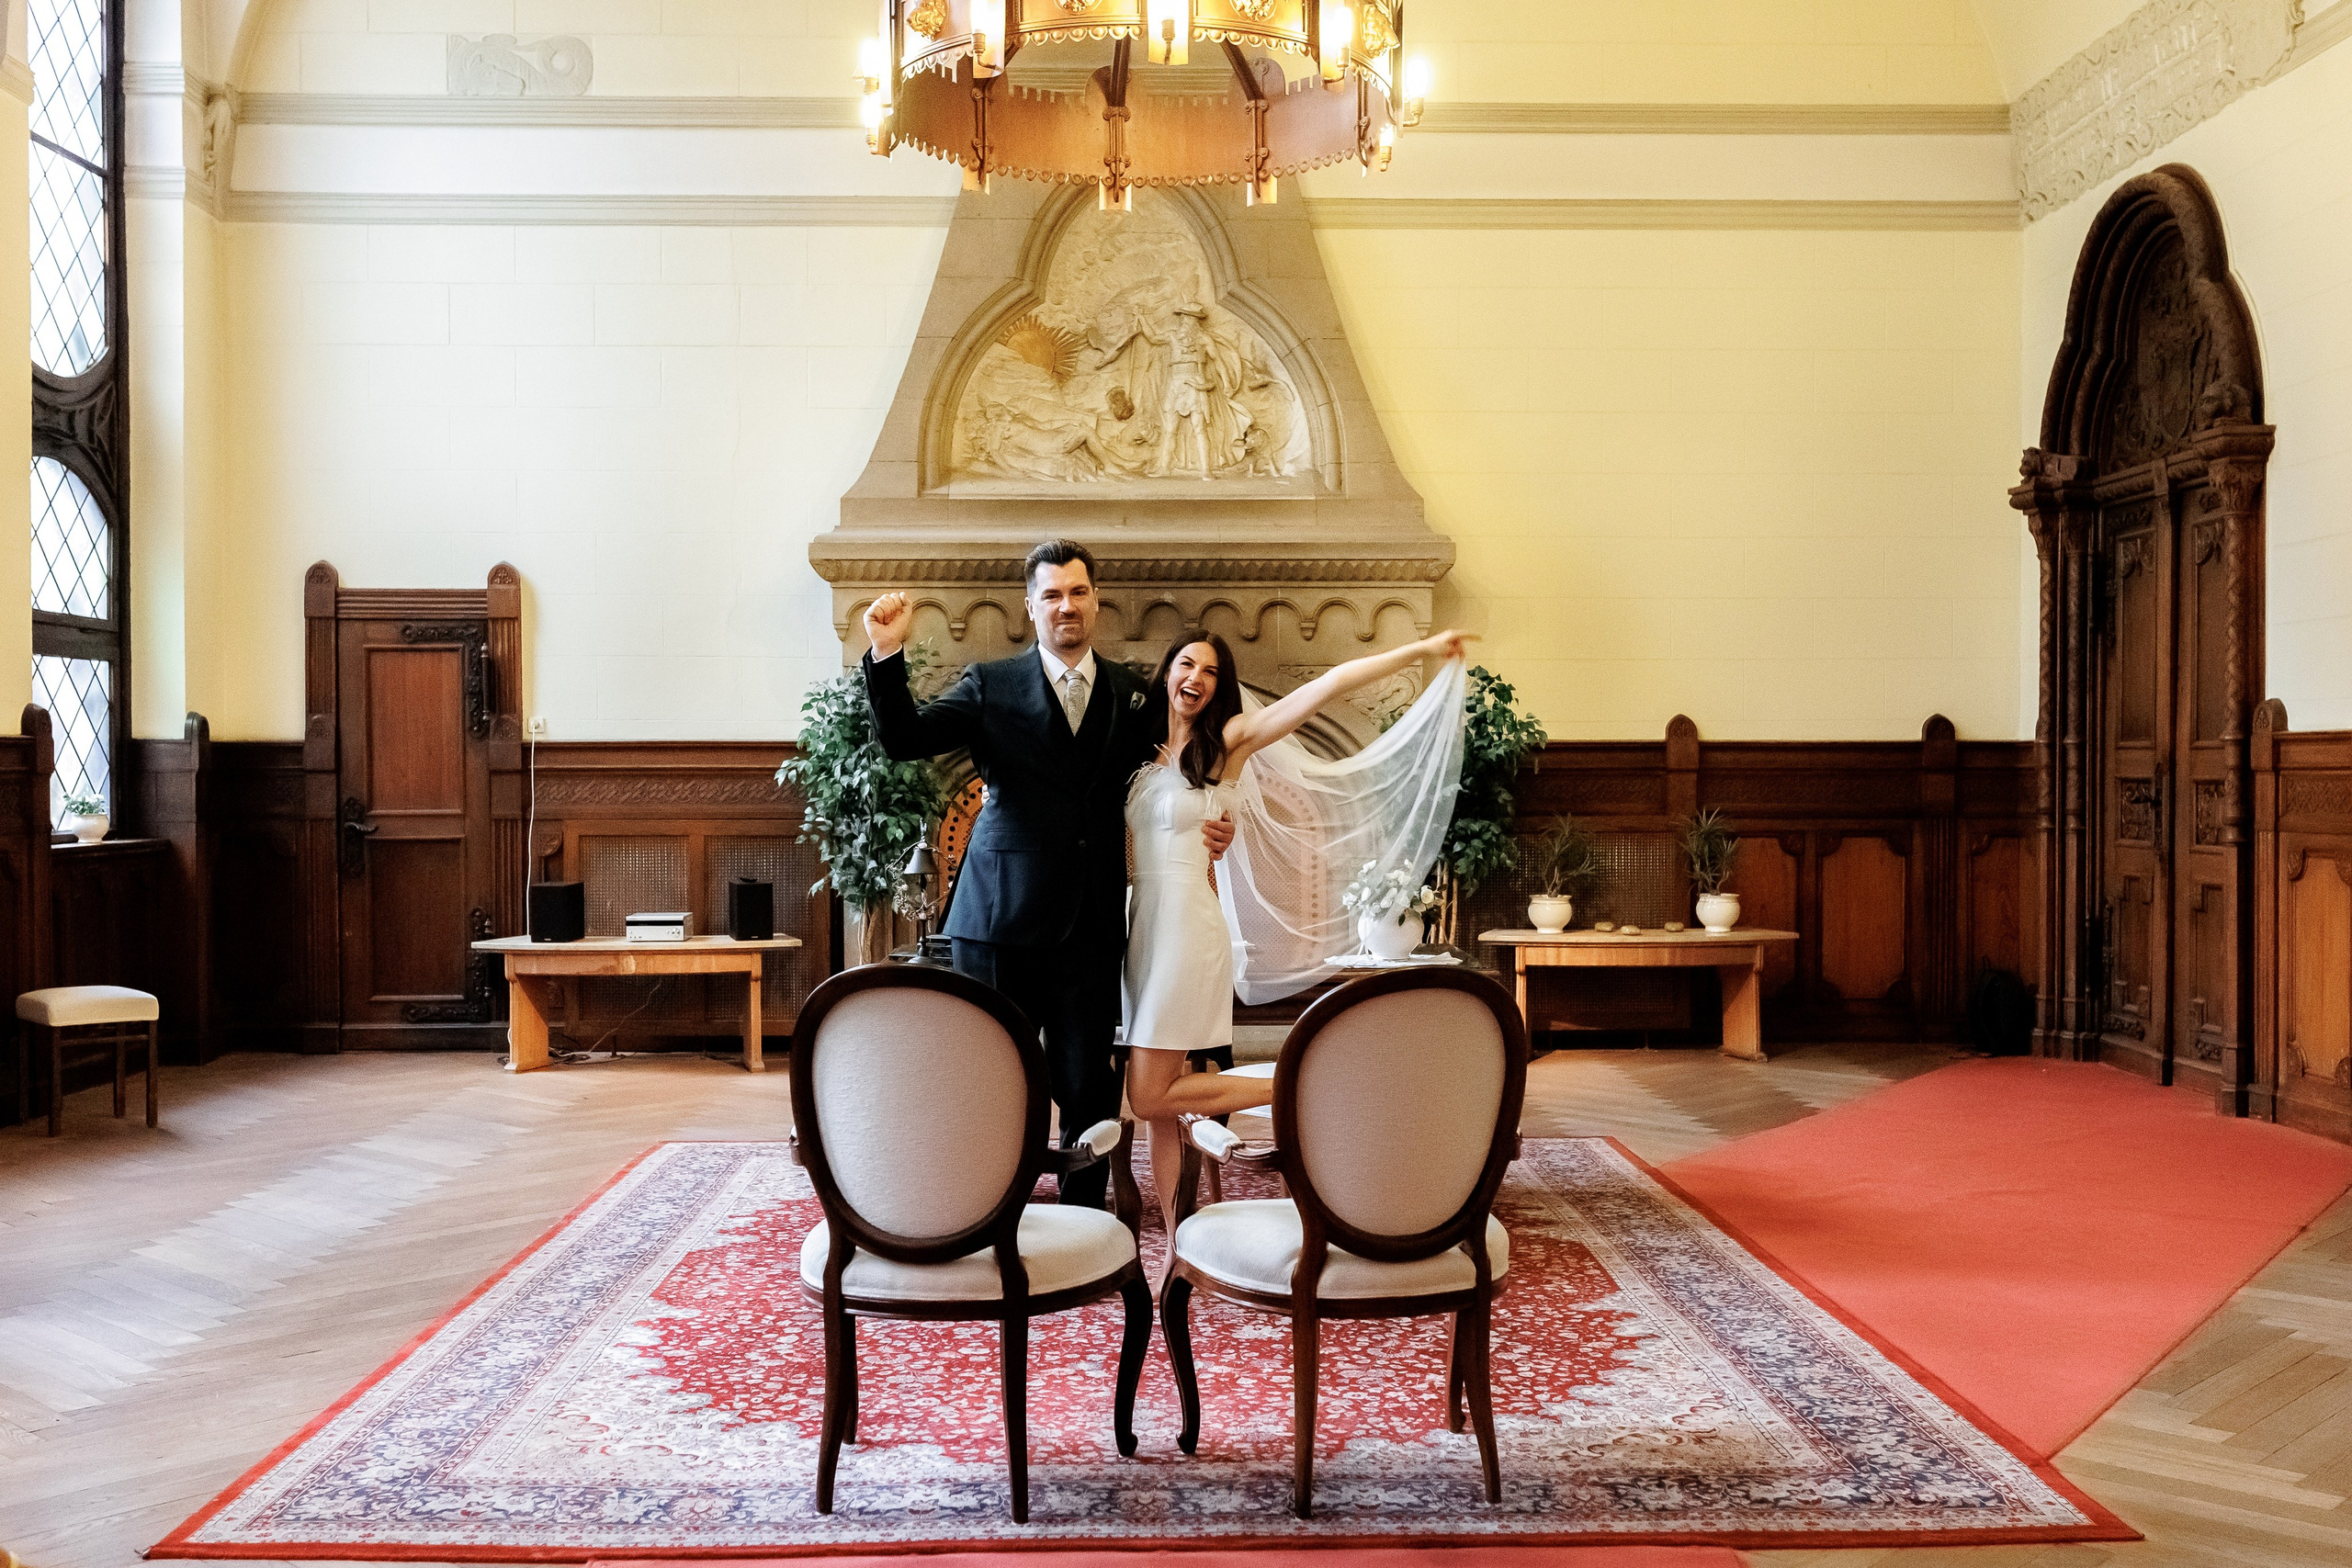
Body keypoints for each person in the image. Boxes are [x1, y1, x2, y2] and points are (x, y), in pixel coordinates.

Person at [861, 540, 1234, 1208]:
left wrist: (1216, 817)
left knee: (1087, 1085)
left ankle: (1084, 1221)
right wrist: (886, 652)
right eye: (1053, 594)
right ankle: (978, 1204)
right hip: (996, 920)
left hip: (1090, 924)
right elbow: (902, 739)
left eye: (1079, 592)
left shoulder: (1130, 692)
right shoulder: (989, 682)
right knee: (989, 1073)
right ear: (1029, 605)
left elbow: (1182, 764)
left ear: (1096, 602)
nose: (1067, 605)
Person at [1123, 626, 1471, 1241]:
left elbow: (1322, 688)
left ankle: (1298, 1080)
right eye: (1186, 663)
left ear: (1219, 688)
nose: (1195, 678)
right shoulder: (1138, 750)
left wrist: (1420, 650)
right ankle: (1179, 1237)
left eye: (1209, 670)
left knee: (1149, 1095)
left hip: (1185, 926)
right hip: (1138, 925)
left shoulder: (1227, 742)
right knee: (1165, 1101)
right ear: (1166, 671)